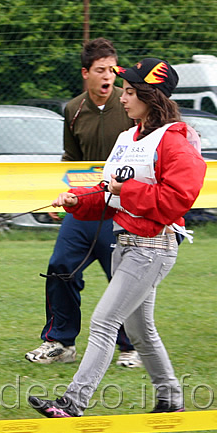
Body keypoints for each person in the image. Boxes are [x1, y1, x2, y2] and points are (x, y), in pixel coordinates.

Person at [28, 57, 207, 418]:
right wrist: (77, 200)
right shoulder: (129, 137)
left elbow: (177, 200)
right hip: (124, 244)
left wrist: (127, 190)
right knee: (141, 332)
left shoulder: (176, 141)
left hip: (152, 246)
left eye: (130, 92)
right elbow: (108, 192)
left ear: (151, 97)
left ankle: (72, 402)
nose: (122, 98)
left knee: (105, 321)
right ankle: (171, 399)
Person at [25, 38, 141, 367]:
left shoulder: (131, 106)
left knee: (123, 278)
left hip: (122, 209)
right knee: (60, 266)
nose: (108, 76)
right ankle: (61, 343)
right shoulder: (72, 109)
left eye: (113, 70)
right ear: (85, 73)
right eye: (101, 70)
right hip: (86, 205)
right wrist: (64, 196)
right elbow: (70, 160)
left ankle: (132, 347)